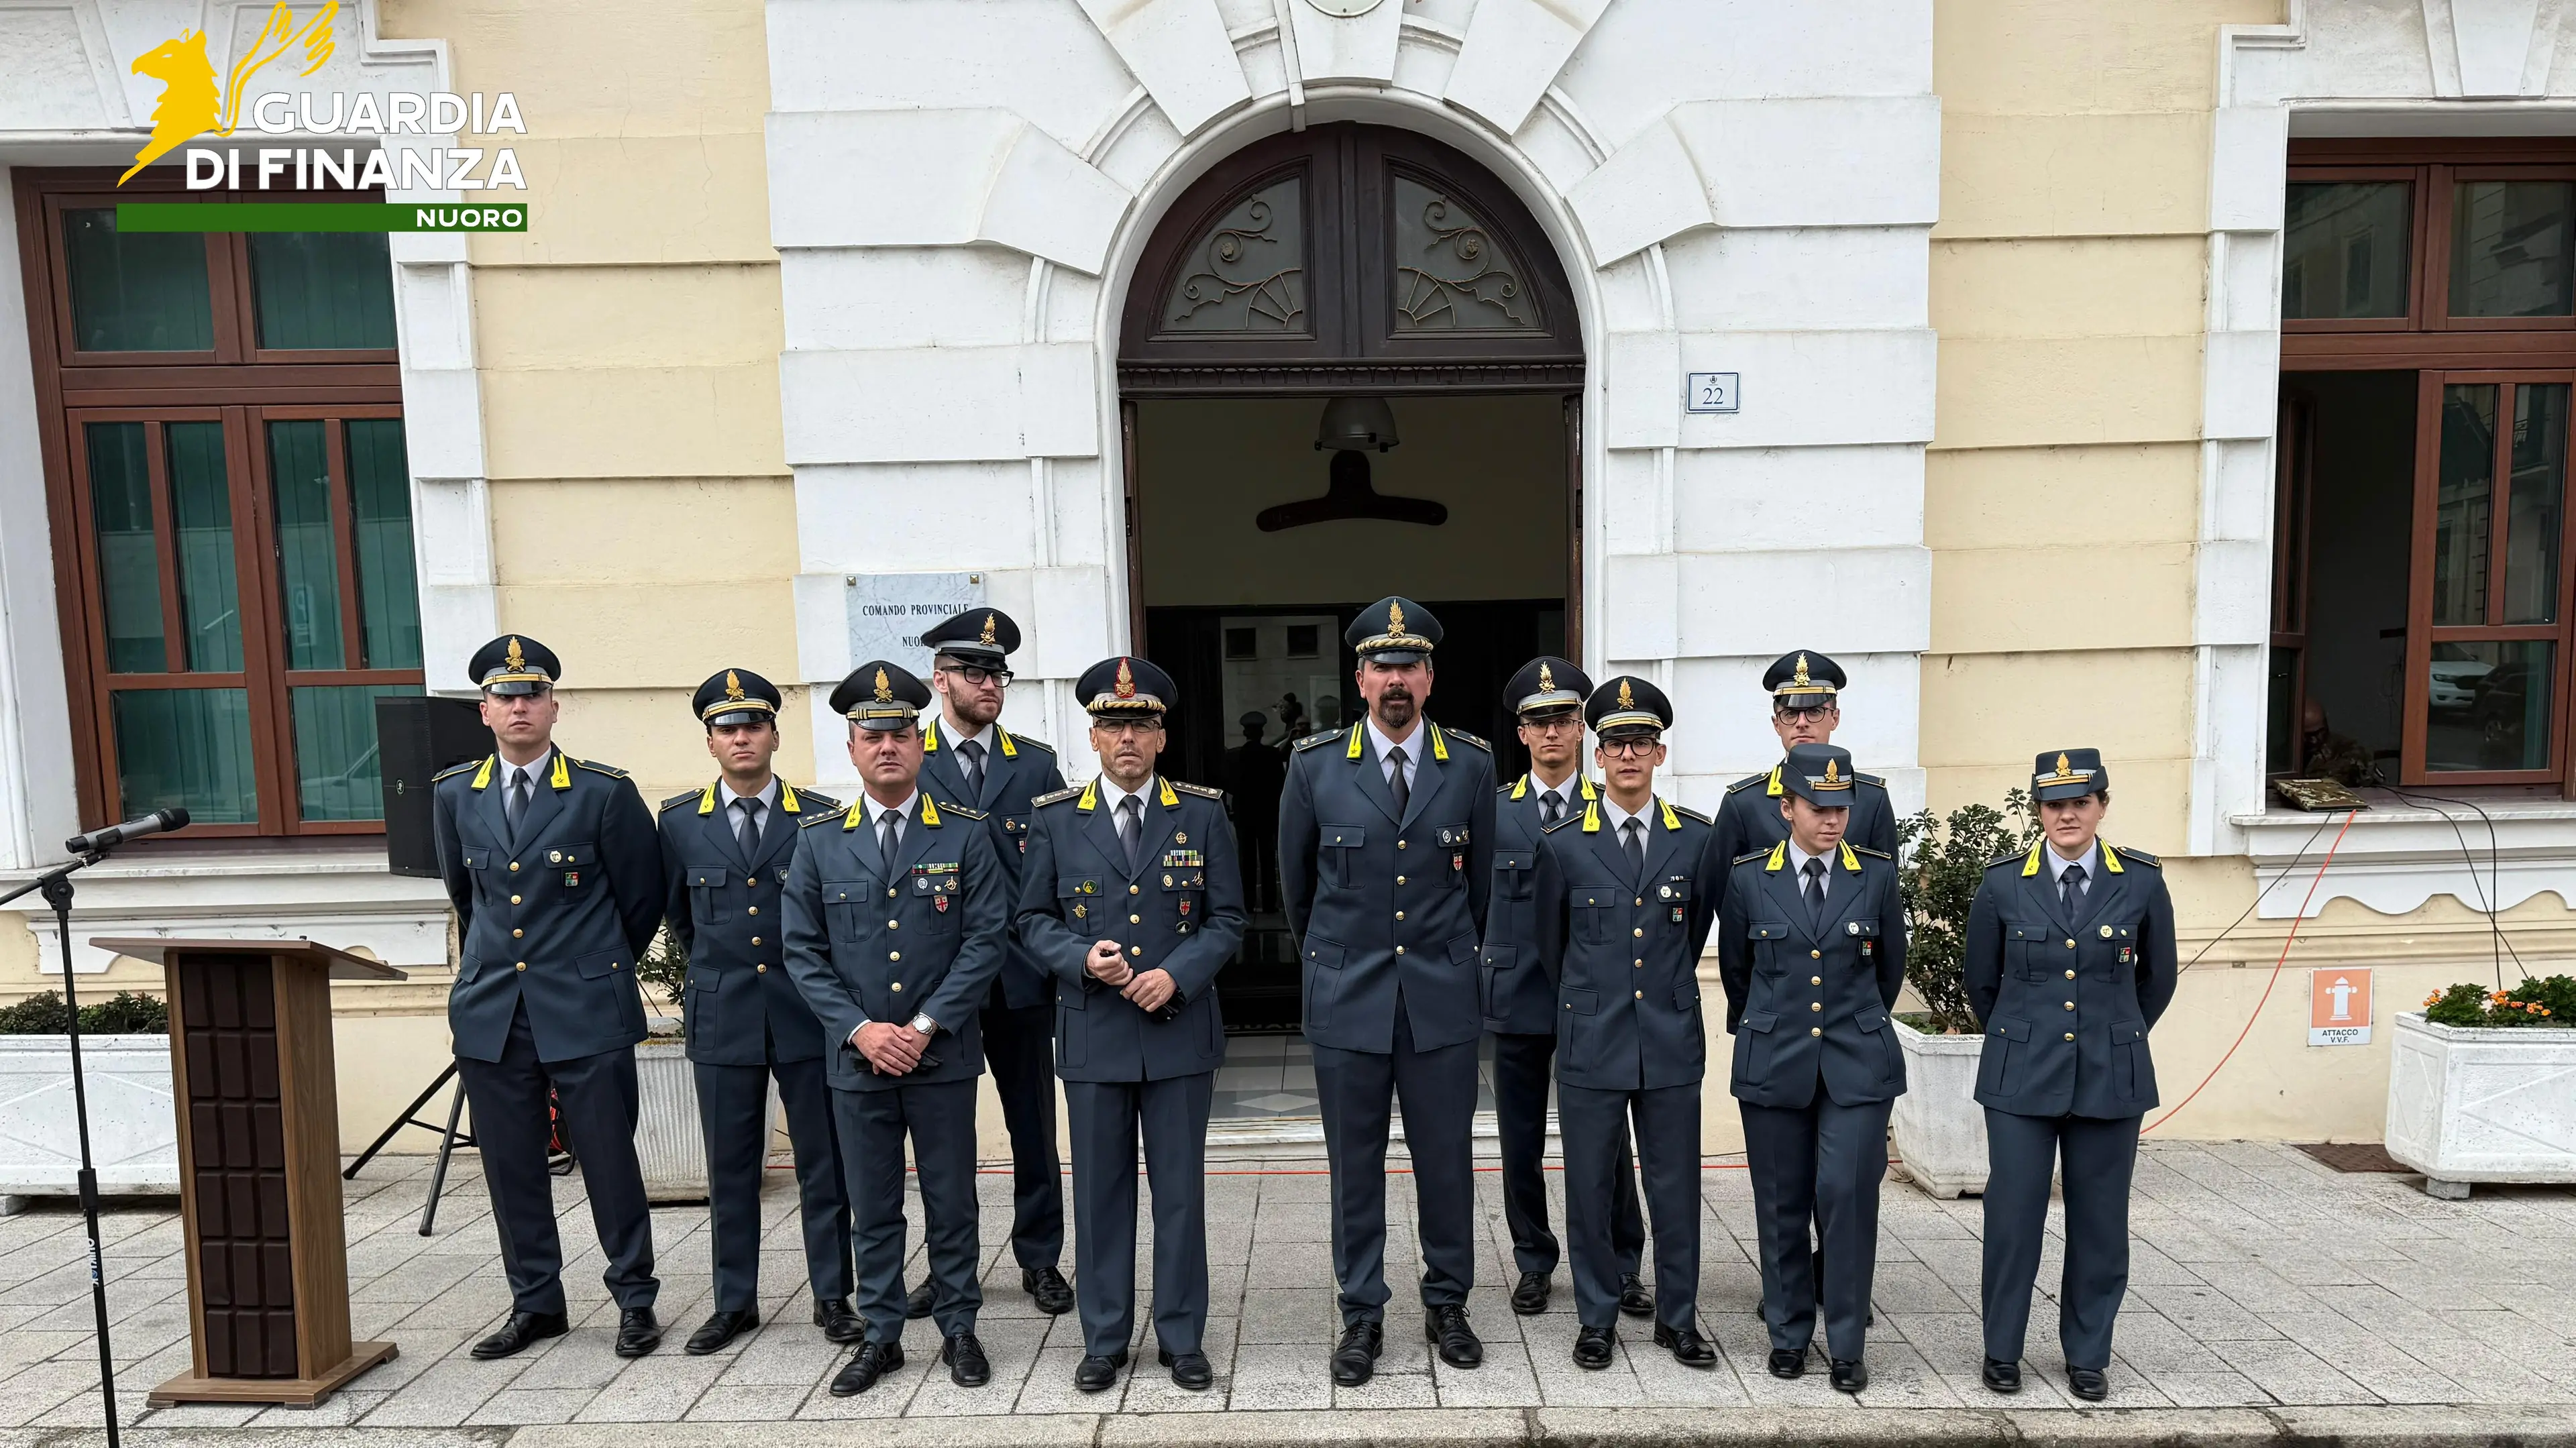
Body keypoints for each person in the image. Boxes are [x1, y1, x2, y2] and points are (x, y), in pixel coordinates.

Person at [1277, 596, 1497, 1386]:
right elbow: (1298, 892)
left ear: (1430, 677)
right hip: (1348, 998)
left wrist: (1443, 960)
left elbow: (1482, 894)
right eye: (1382, 666)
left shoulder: (1470, 764)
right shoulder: (1313, 765)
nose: (1396, 680)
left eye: (1410, 666)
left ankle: (1447, 1303)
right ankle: (1361, 1311)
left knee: (1445, 1161)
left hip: (1439, 996)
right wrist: (1338, 965)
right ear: (1360, 678)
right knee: (1355, 1165)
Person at [432, 635, 667, 1361]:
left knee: (608, 1161)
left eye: (532, 694)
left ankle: (634, 1298)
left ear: (554, 706)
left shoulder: (602, 791)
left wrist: (589, 967)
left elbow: (642, 898)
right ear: (484, 711)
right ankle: (536, 1301)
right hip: (495, 1011)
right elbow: (465, 897)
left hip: (586, 1008)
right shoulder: (453, 792)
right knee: (510, 1167)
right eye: (505, 696)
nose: (519, 706)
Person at [1017, 656, 1247, 1394]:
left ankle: (1182, 1335)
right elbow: (1030, 920)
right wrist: (1084, 956)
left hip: (1178, 1031)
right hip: (1094, 1032)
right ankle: (1105, 1336)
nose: (1126, 737)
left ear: (1161, 735)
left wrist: (1177, 971)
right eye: (1113, 724)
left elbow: (1230, 917)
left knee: (1179, 1192)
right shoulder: (1056, 817)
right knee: (1101, 1193)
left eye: (1139, 724)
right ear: (1092, 734)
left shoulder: (1204, 813)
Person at [782, 661, 1006, 1396]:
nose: (888, 747)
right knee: (872, 1205)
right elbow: (802, 951)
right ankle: (880, 1335)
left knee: (952, 1200)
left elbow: (985, 941)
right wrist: (860, 1030)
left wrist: (923, 1023)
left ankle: (959, 1327)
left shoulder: (965, 835)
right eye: (872, 736)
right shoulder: (817, 840)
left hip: (939, 1055)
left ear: (921, 744)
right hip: (858, 1062)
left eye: (902, 734)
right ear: (851, 746)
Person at [1964, 749, 2177, 1402]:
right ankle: (2002, 1349)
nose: (2066, 814)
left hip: (2110, 1077)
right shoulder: (2003, 883)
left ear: (2102, 806)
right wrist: (2023, 1035)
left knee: (2101, 1222)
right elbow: (1982, 981)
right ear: (2038, 811)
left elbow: (2157, 979)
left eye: (2080, 802)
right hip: (2021, 1077)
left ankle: (2087, 1352)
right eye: (2054, 804)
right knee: (2013, 1213)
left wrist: (2111, 1034)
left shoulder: (2139, 880)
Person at [655, 668, 857, 1353]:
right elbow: (680, 918)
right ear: (711, 740)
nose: (741, 736)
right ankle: (734, 1300)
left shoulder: (821, 814)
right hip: (725, 1013)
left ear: (774, 733)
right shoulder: (681, 820)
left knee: (823, 1163)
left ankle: (833, 1295)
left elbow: (832, 917)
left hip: (805, 1013)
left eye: (753, 724)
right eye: (726, 727)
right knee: (732, 1166)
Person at [1528, 677, 1718, 1369]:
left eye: (1641, 741)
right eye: (1615, 742)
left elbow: (1692, 931)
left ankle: (1678, 1317)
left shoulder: (1695, 839)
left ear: (1659, 753)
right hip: (1592, 1036)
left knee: (1676, 1185)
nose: (1629, 754)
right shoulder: (1561, 844)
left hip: (1667, 1037)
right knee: (1590, 1185)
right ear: (1597, 755)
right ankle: (1597, 1318)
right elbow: (1553, 946)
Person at [1717, 742, 1905, 1394]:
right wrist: (1770, 1021)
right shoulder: (1747, 877)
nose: (1832, 818)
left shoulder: (1876, 874)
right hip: (1774, 1056)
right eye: (1818, 806)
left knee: (1847, 1194)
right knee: (1781, 1200)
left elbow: (1890, 969)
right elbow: (1739, 974)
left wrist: (1854, 1023)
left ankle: (1847, 1342)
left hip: (1857, 1060)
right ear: (1786, 806)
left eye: (1842, 805)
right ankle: (1790, 1334)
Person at [903, 609, 1073, 1320]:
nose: (992, 683)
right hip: (940, 981)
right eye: (976, 671)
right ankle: (951, 1268)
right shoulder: (911, 757)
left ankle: (1040, 1256)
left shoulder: (1033, 764)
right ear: (941, 680)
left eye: (999, 672)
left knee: (1033, 1122)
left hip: (1022, 976)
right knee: (943, 1136)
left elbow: (1062, 868)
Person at [1481, 657, 1651, 1321]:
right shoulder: (1491, 811)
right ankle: (1533, 1258)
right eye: (1537, 721)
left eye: (1563, 718)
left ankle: (1622, 1263)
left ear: (1582, 728)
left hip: (1595, 998)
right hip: (1517, 992)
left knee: (1609, 1142)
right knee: (1520, 1138)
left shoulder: (1609, 806)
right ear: (1520, 733)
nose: (1551, 732)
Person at [1710, 651, 1898, 871]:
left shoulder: (1871, 800)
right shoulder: (1744, 804)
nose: (1801, 723)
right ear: (1776, 724)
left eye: (1814, 711)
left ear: (1835, 718)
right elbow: (1724, 895)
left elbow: (1885, 889)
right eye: (1790, 713)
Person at [1221, 710, 1287, 911]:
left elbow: (1229, 784)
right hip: (1267, 814)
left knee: (1246, 860)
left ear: (1245, 733)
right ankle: (1269, 903)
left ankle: (1248, 903)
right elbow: (1280, 784)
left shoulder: (1235, 756)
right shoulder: (1272, 755)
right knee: (1268, 859)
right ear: (1261, 732)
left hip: (1245, 813)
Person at [2297, 701, 2379, 786]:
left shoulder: (2347, 751)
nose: (2314, 740)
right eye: (2307, 735)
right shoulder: (2287, 752)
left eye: (2320, 733)